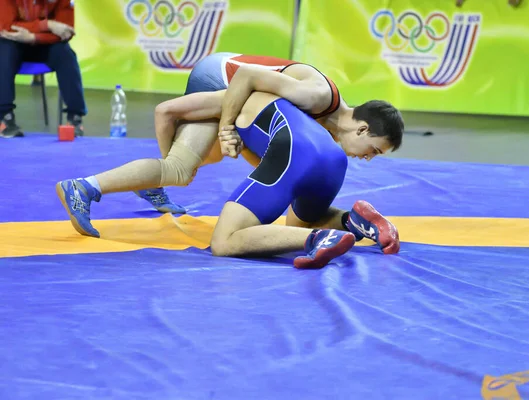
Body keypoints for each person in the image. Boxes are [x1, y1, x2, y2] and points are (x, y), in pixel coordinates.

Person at [57, 87, 402, 268]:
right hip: (329, 157)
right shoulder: (302, 104)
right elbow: (266, 156)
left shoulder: (235, 96)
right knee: (301, 219)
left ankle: (318, 240)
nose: (369, 158)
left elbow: (166, 110)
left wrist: (172, 159)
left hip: (294, 150)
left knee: (222, 240)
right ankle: (353, 221)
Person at [133, 52, 394, 214]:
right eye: (375, 150)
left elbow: (267, 158)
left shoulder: (328, 131)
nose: (369, 158)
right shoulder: (317, 97)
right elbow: (246, 75)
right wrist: (226, 129)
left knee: (211, 157)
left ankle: (155, 180)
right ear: (362, 129)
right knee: (186, 163)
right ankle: (154, 179)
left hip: (241, 93)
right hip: (222, 75)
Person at [0, 0, 86, 138]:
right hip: (13, 42)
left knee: (65, 53)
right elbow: (5, 27)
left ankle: (75, 118)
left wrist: (34, 37)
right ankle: (5, 118)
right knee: (3, 50)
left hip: (43, 43)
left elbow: (66, 32)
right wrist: (47, 25)